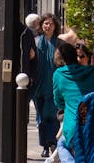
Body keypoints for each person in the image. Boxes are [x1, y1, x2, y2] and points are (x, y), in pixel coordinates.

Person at [52, 37, 94, 163]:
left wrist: (69, 103)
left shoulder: (58, 74)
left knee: (61, 144)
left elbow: (58, 102)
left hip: (75, 129)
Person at [33, 13, 61, 158]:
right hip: (39, 86)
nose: (48, 26)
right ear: (41, 26)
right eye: (45, 23)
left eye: (50, 24)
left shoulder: (59, 44)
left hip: (54, 86)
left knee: (53, 116)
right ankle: (45, 145)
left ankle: (52, 143)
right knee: (41, 118)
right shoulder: (36, 41)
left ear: (55, 26)